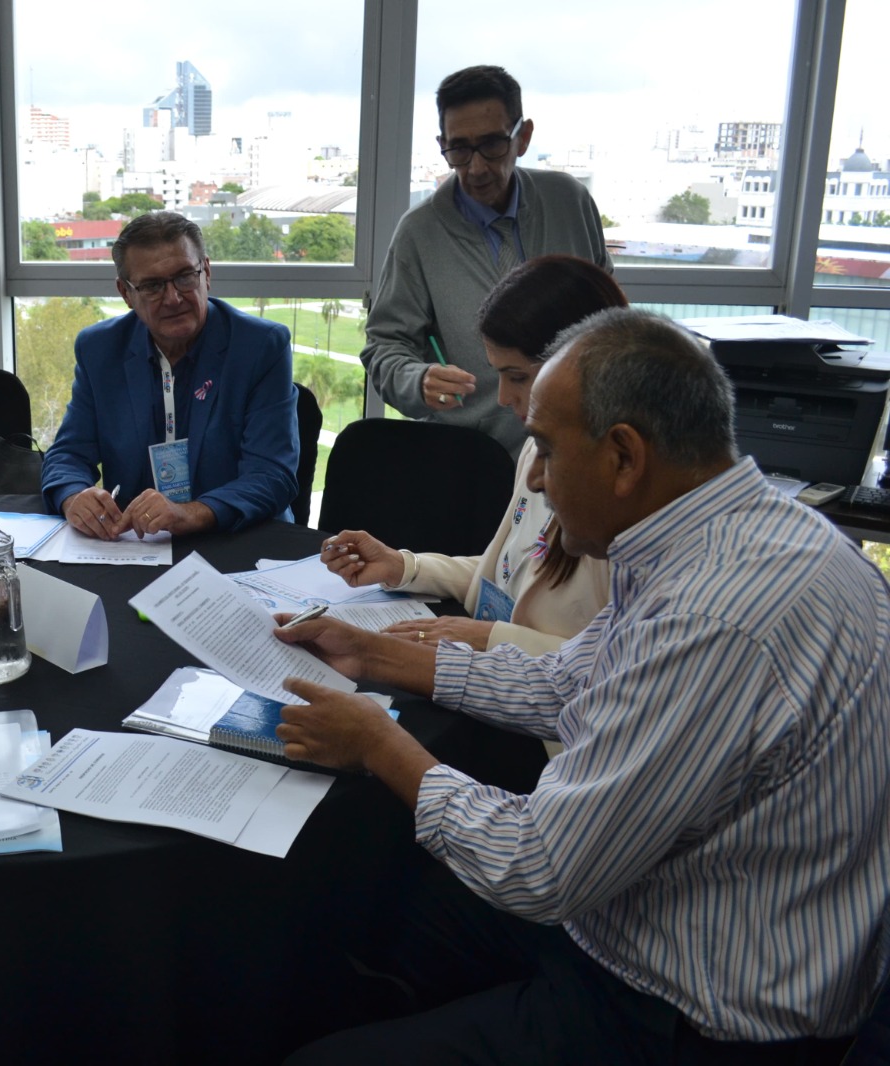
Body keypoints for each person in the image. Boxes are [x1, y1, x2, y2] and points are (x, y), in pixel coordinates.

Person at [276, 309, 890, 1064]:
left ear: (624, 456)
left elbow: (539, 867)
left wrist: (379, 742)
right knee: (365, 910)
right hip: (677, 916)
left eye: (544, 449)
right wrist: (374, 656)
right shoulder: (742, 536)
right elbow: (571, 679)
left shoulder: (712, 617)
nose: (534, 478)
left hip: (690, 1013)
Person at [322, 255, 621, 654]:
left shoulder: (624, 497)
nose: (501, 397)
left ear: (583, 364)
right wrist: (404, 566)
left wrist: (491, 638)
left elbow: (616, 664)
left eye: (517, 377)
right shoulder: (536, 447)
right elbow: (506, 575)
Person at [360, 65, 612, 454]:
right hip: (478, 457)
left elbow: (610, 317)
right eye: (458, 149)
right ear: (441, 143)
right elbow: (384, 347)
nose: (475, 168)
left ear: (523, 137)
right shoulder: (419, 232)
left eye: (492, 145)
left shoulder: (570, 201)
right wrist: (418, 379)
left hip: (583, 440)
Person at [41, 210, 299, 539]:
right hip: (140, 547)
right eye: (151, 286)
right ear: (126, 293)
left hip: (239, 539)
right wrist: (74, 496)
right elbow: (68, 454)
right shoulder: (100, 349)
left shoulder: (260, 347)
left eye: (184, 277)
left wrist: (191, 513)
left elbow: (272, 474)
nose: (173, 298)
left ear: (206, 272)